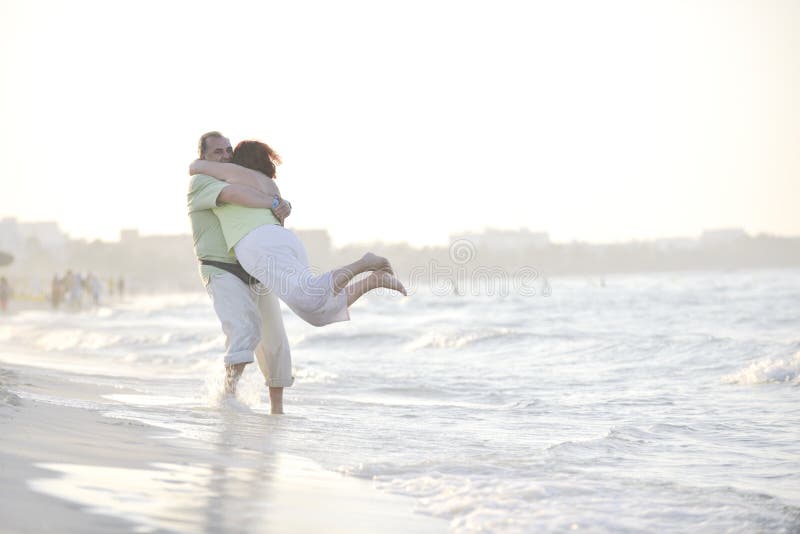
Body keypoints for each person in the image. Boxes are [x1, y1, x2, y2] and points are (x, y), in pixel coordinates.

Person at [190, 139, 407, 328]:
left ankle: (364, 263)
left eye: (230, 153)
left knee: (309, 297)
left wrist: (200, 161)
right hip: (285, 240)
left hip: (257, 242)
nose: (227, 157)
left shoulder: (237, 174)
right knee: (317, 314)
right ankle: (375, 280)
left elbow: (196, 167)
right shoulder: (271, 186)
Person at [188, 131, 294, 413]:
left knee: (276, 342)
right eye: (217, 153)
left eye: (228, 150)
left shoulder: (241, 177)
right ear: (204, 158)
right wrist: (273, 202)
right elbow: (235, 195)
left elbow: (267, 209)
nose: (225, 156)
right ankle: (227, 397)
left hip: (256, 269)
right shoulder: (202, 182)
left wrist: (283, 205)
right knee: (244, 329)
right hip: (221, 268)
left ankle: (277, 411)